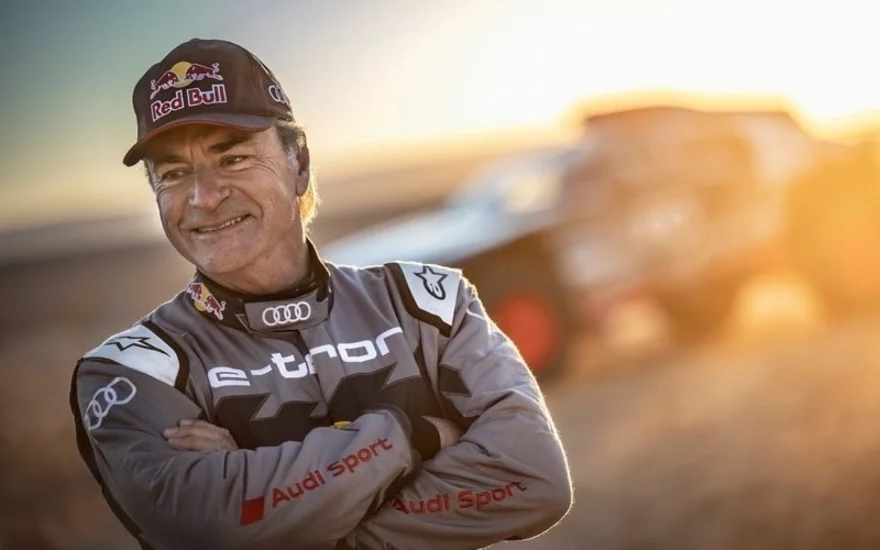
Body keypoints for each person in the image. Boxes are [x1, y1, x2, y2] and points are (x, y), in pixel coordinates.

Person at [69, 38, 572, 550]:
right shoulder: (132, 371)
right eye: (174, 174)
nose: (204, 196)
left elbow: (534, 479)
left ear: (300, 164)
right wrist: (414, 435)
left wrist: (279, 515)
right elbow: (201, 525)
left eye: (234, 158)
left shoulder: (430, 304)